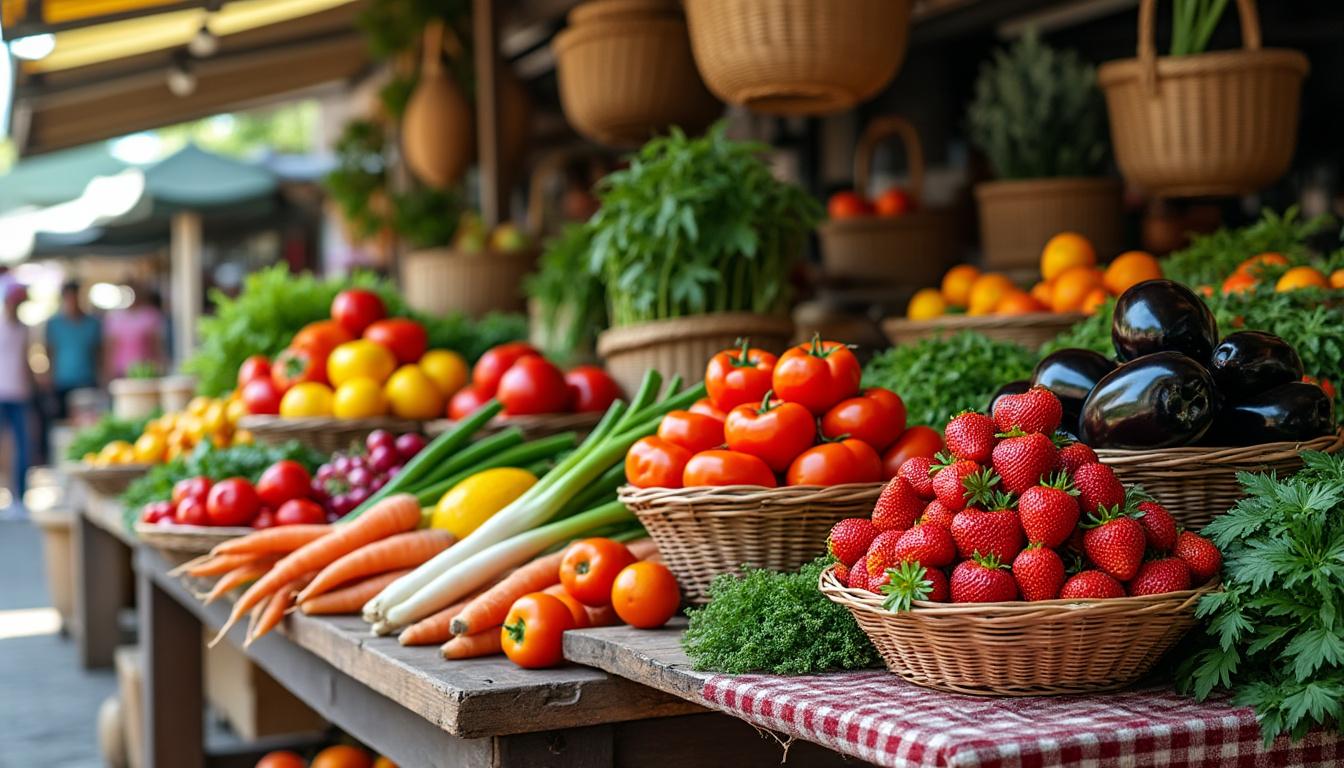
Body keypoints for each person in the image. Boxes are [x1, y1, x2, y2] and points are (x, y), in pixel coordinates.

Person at [45, 280, 103, 420]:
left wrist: (102, 378)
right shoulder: (53, 324)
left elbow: (98, 353)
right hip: (62, 381)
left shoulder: (92, 323)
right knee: (63, 422)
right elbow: (50, 352)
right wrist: (49, 379)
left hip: (87, 379)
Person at [0, 283, 33, 515]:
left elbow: (25, 360)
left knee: (23, 447)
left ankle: (18, 497)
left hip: (19, 394)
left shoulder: (24, 330)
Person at [104, 283, 166, 378]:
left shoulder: (150, 315)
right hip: (121, 370)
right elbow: (110, 347)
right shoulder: (114, 317)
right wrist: (109, 370)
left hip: (146, 369)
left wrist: (161, 364)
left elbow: (157, 344)